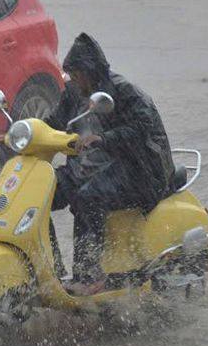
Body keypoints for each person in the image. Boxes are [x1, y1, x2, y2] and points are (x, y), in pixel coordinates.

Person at [45, 33, 175, 295]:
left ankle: (88, 276)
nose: (74, 80)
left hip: (140, 170)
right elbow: (55, 123)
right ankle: (49, 271)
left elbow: (141, 130)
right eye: (71, 74)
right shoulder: (72, 92)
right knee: (41, 194)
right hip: (92, 166)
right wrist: (25, 132)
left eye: (78, 74)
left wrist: (103, 139)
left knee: (88, 197)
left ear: (91, 72)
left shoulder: (123, 92)